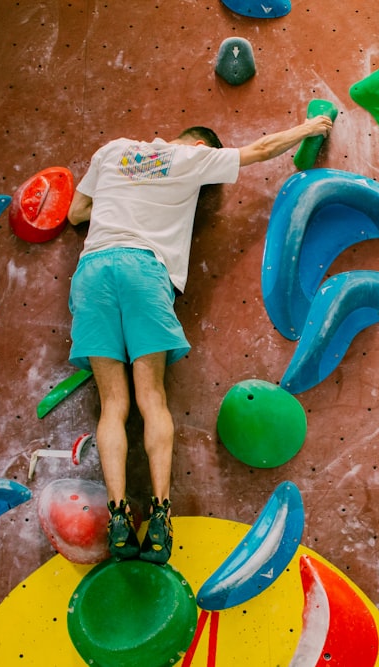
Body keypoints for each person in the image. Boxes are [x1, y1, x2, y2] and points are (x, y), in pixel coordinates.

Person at [66, 115, 333, 563]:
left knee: (114, 404)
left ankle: (117, 515)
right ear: (199, 145)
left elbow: (76, 214)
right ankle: (160, 518)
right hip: (143, 269)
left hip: (93, 271)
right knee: (151, 398)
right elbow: (260, 149)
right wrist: (309, 128)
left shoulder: (112, 150)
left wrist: (122, 196)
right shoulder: (189, 157)